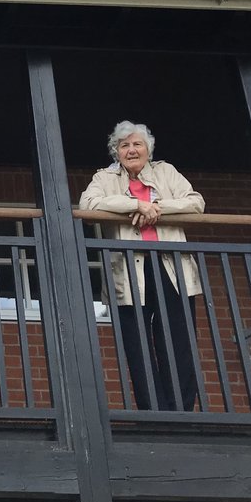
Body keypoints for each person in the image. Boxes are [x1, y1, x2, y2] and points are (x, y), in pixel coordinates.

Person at [79, 121, 205, 411]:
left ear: (148, 149)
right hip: (129, 270)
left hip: (172, 268)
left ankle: (181, 410)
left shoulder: (166, 172)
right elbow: (88, 205)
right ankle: (154, 410)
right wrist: (136, 205)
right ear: (116, 152)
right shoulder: (105, 177)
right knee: (137, 345)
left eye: (137, 144)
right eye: (124, 145)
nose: (131, 150)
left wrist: (157, 208)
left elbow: (196, 203)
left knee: (178, 340)